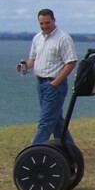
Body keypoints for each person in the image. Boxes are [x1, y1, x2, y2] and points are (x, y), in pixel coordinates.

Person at [18, 8, 78, 145]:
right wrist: (24, 67)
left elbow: (71, 62)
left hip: (54, 85)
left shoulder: (63, 38)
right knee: (56, 120)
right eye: (42, 23)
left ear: (54, 20)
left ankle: (32, 151)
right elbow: (33, 59)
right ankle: (69, 149)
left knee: (45, 122)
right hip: (41, 84)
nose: (44, 26)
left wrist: (56, 83)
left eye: (47, 23)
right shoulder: (37, 38)